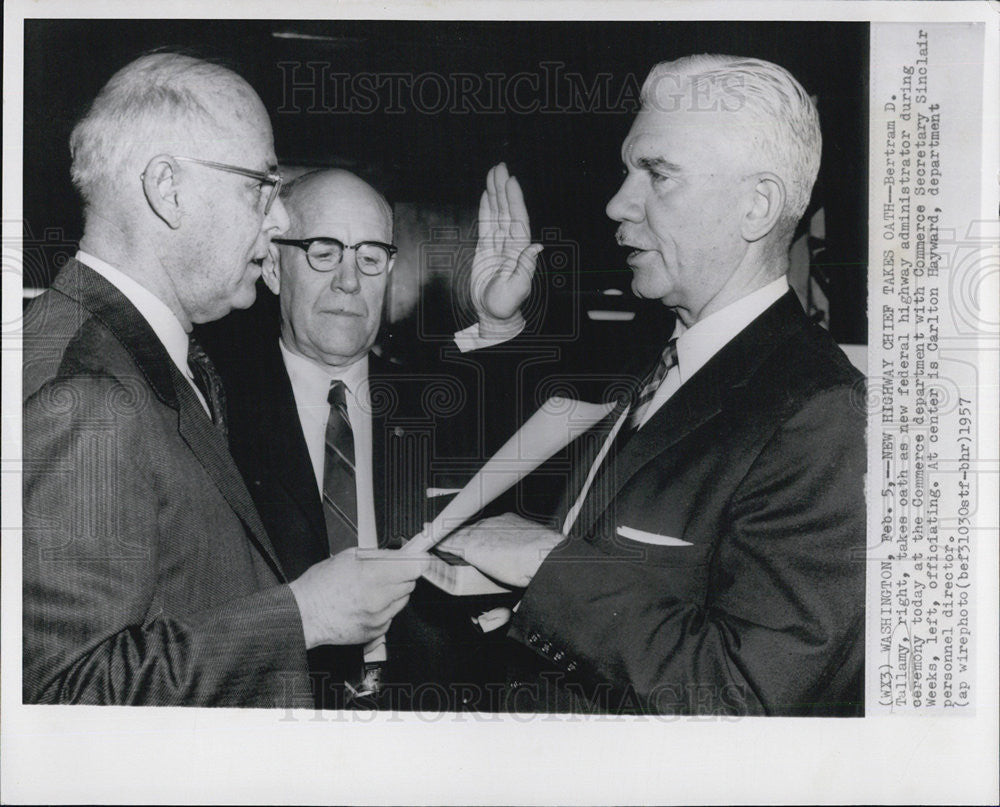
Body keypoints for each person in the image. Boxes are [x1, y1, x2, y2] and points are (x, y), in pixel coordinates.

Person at [440, 54, 867, 716]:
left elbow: (745, 695)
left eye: (658, 175)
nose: (617, 203)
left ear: (756, 206)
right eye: (626, 170)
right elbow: (506, 475)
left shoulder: (822, 412)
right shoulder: (655, 355)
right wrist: (498, 324)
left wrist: (553, 571)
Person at [22, 53, 426, 707]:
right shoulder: (89, 393)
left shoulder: (141, 353)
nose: (279, 221)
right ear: (168, 189)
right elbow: (64, 695)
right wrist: (303, 616)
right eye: (259, 187)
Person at [201, 165, 536, 708]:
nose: (349, 280)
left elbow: (564, 445)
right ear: (273, 267)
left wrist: (499, 322)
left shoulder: (440, 403)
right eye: (324, 251)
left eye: (370, 256)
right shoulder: (212, 409)